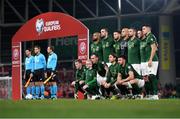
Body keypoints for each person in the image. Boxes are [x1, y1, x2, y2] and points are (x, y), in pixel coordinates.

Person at [141, 25, 159, 100]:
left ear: (148, 29)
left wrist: (150, 59)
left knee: (152, 76)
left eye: (144, 29)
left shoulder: (151, 36)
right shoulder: (147, 38)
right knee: (148, 78)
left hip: (153, 60)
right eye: (142, 29)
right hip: (148, 60)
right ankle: (151, 95)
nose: (142, 30)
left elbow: (154, 48)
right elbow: (156, 46)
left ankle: (155, 95)